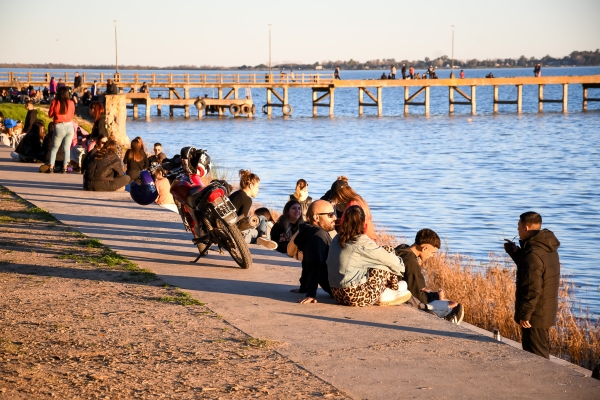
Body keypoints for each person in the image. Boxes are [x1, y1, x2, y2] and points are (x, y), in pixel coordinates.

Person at [327, 205, 411, 307]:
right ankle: (387, 292)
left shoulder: (336, 238)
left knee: (372, 258)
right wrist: (401, 266)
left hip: (336, 293)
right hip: (355, 296)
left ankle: (391, 288)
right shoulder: (361, 241)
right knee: (387, 251)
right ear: (363, 222)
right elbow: (388, 259)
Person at [504, 211, 560, 359]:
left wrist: (525, 315)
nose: (517, 230)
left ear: (526, 228)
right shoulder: (546, 247)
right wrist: (516, 252)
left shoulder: (532, 254)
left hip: (535, 314)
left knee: (536, 355)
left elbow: (532, 289)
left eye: (519, 227)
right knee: (538, 349)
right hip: (544, 309)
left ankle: (543, 381)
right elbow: (531, 270)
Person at [396, 228, 464, 324]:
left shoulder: (402, 249)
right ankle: (446, 321)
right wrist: (436, 295)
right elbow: (419, 297)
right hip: (406, 299)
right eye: (432, 253)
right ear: (424, 248)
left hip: (401, 290)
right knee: (454, 305)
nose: (432, 256)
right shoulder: (411, 262)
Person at [292, 200, 337, 304]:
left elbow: (306, 262)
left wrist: (303, 288)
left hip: (334, 286)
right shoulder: (317, 236)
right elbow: (314, 265)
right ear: (316, 217)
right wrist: (311, 294)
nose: (334, 217)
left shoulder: (309, 232)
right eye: (330, 215)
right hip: (339, 288)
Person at [229, 169, 277, 249]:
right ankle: (262, 237)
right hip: (236, 234)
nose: (258, 190)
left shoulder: (235, 194)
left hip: (228, 226)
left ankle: (262, 237)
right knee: (258, 228)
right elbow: (241, 222)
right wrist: (252, 224)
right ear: (251, 186)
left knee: (261, 218)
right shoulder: (247, 200)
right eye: (257, 187)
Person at [47, 86, 75, 173]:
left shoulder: (55, 102)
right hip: (69, 126)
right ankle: (65, 167)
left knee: (54, 148)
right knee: (67, 148)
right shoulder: (71, 102)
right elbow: (72, 114)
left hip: (59, 126)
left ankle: (51, 167)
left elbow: (50, 114)